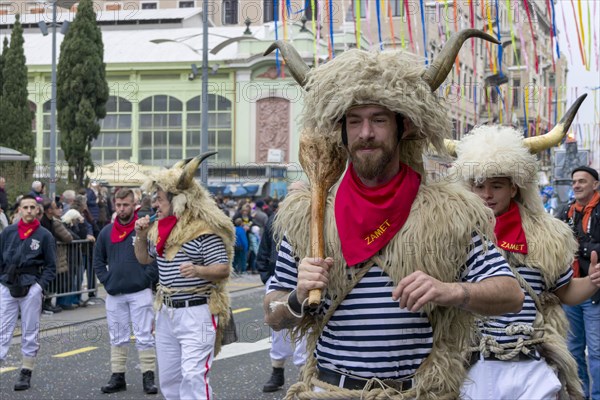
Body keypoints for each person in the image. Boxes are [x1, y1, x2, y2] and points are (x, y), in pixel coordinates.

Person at [263, 30, 524, 399]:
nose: (366, 133)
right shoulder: (310, 213)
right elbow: (272, 313)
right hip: (328, 389)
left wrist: (452, 291)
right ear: (341, 131)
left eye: (378, 119)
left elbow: (511, 294)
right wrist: (297, 296)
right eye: (354, 121)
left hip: (418, 393)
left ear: (404, 126)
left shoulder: (450, 212)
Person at [451, 122, 600, 399]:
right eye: (479, 185)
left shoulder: (547, 236)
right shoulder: (451, 235)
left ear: (514, 188)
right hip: (470, 364)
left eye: (496, 185)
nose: (486, 194)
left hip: (530, 362)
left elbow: (564, 292)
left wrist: (592, 282)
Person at [133, 153, 235, 400]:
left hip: (197, 311)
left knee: (193, 375)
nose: (155, 205)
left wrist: (199, 270)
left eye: (159, 199)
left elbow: (222, 268)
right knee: (169, 380)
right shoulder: (158, 229)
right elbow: (144, 259)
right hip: (166, 311)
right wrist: (141, 234)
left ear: (178, 200)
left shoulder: (204, 230)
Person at [93, 188, 158, 395]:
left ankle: (148, 378)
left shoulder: (143, 229)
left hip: (139, 292)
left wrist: (146, 277)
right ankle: (117, 376)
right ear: (114, 205)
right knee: (117, 337)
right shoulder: (105, 233)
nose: (122, 209)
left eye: (126, 205)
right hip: (115, 294)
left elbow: (154, 256)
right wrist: (106, 280)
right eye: (118, 205)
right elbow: (98, 261)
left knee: (144, 335)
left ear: (134, 205)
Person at [0, 194, 56, 391]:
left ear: (37, 210)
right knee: (2, 328)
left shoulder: (44, 236)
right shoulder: (8, 232)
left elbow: (51, 266)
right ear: (19, 210)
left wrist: (38, 287)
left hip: (31, 286)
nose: (29, 211)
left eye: (33, 207)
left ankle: (26, 371)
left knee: (30, 330)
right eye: (26, 207)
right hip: (7, 285)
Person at [258, 181, 308, 393]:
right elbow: (264, 250)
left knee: (307, 329)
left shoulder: (313, 219)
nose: (292, 197)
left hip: (306, 282)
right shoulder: (274, 220)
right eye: (290, 193)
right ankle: (277, 371)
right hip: (277, 281)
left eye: (297, 192)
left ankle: (306, 374)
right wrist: (267, 276)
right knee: (278, 329)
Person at [557, 165, 600, 399]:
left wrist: (581, 247)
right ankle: (579, 395)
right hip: (570, 291)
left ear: (595, 185)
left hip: (595, 293)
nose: (576, 185)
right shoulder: (565, 212)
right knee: (573, 351)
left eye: (582, 181)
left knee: (596, 352)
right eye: (574, 181)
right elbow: (552, 242)